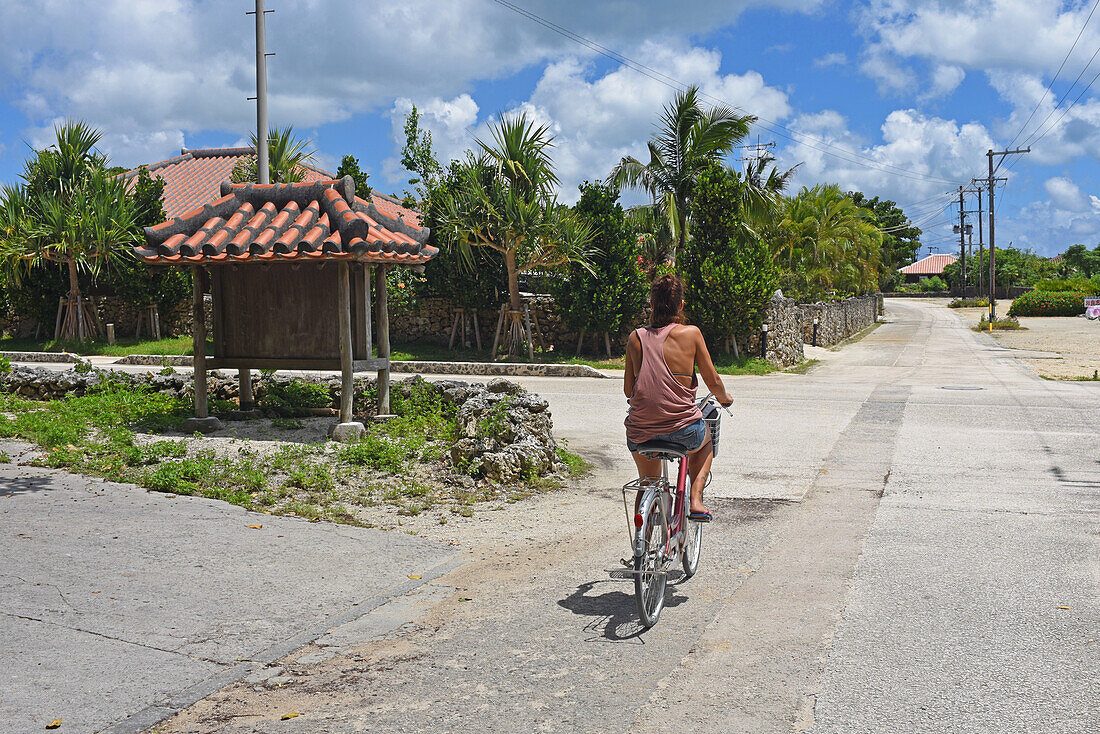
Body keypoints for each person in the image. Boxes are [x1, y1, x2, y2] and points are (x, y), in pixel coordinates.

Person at [624, 274, 733, 522]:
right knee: (705, 444)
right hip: (683, 430)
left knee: (648, 482)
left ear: (651, 305)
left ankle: (643, 546)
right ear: (681, 305)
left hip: (640, 430)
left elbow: (629, 390)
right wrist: (725, 398)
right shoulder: (692, 334)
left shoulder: (635, 338)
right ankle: (695, 499)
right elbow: (713, 381)